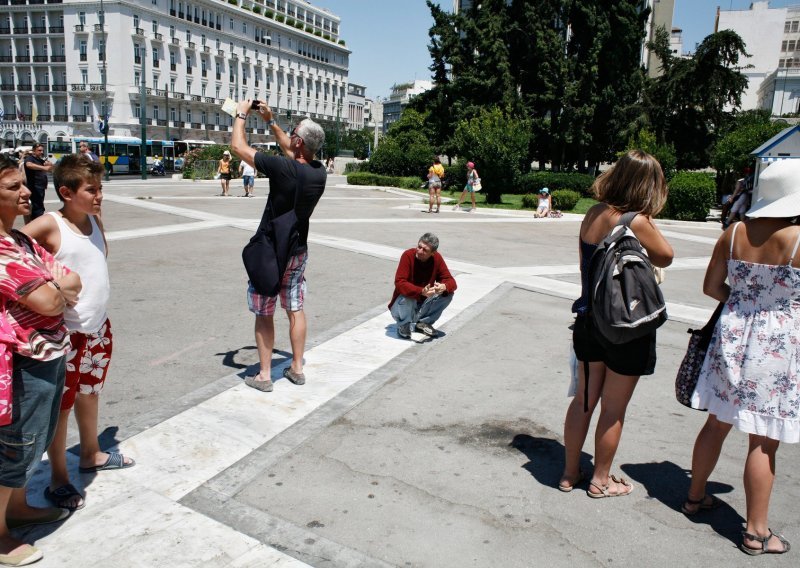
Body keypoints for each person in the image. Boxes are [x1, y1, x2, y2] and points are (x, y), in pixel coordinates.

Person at [683, 158, 800, 556]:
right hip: (777, 345)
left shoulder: (733, 233)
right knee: (763, 440)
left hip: (731, 335)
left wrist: (744, 304)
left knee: (716, 422)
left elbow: (712, 286)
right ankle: (756, 532)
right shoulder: (798, 238)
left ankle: (695, 497)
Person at [22, 155, 134, 513]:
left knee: (90, 392)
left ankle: (90, 453)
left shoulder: (95, 220)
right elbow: (11, 247)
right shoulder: (49, 225)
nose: (99, 196)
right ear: (67, 192)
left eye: (101, 189)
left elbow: (100, 259)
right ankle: (57, 477)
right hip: (66, 335)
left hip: (98, 328)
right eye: (91, 190)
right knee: (61, 407)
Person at [559, 150, 672, 497]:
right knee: (613, 408)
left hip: (589, 320)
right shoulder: (637, 221)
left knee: (584, 400)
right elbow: (667, 255)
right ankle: (600, 480)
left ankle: (569, 473)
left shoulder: (592, 213)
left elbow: (585, 267)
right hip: (626, 327)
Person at [0, 154, 82, 565]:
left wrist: (56, 287)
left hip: (48, 352)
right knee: (16, 445)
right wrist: (55, 289)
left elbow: (72, 279)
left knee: (34, 438)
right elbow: (51, 299)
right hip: (21, 361)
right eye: (13, 186)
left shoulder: (21, 241)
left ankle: (14, 509)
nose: (26, 191)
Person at [232, 100, 327, 393]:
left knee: (265, 311)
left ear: (298, 141)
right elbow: (291, 149)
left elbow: (239, 147)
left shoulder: (281, 167)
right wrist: (272, 121)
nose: (291, 136)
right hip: (298, 252)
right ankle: (297, 368)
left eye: (293, 132)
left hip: (272, 250)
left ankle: (264, 375)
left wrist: (241, 113)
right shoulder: (318, 172)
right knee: (295, 307)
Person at [388, 233, 457, 339]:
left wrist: (444, 286)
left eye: (425, 250)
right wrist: (420, 291)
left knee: (448, 294)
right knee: (408, 294)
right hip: (402, 307)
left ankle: (423, 323)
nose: (420, 251)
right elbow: (399, 282)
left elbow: (451, 281)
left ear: (433, 253)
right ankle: (404, 324)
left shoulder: (437, 258)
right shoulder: (408, 255)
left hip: (422, 305)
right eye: (419, 247)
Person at [24, 143, 54, 223]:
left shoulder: (40, 160)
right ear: (34, 151)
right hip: (35, 187)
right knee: (38, 207)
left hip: (41, 187)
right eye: (39, 150)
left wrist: (50, 165)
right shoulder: (30, 158)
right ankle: (36, 223)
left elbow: (49, 168)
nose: (41, 152)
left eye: (42, 150)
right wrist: (43, 167)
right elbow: (28, 165)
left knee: (39, 206)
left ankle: (36, 222)